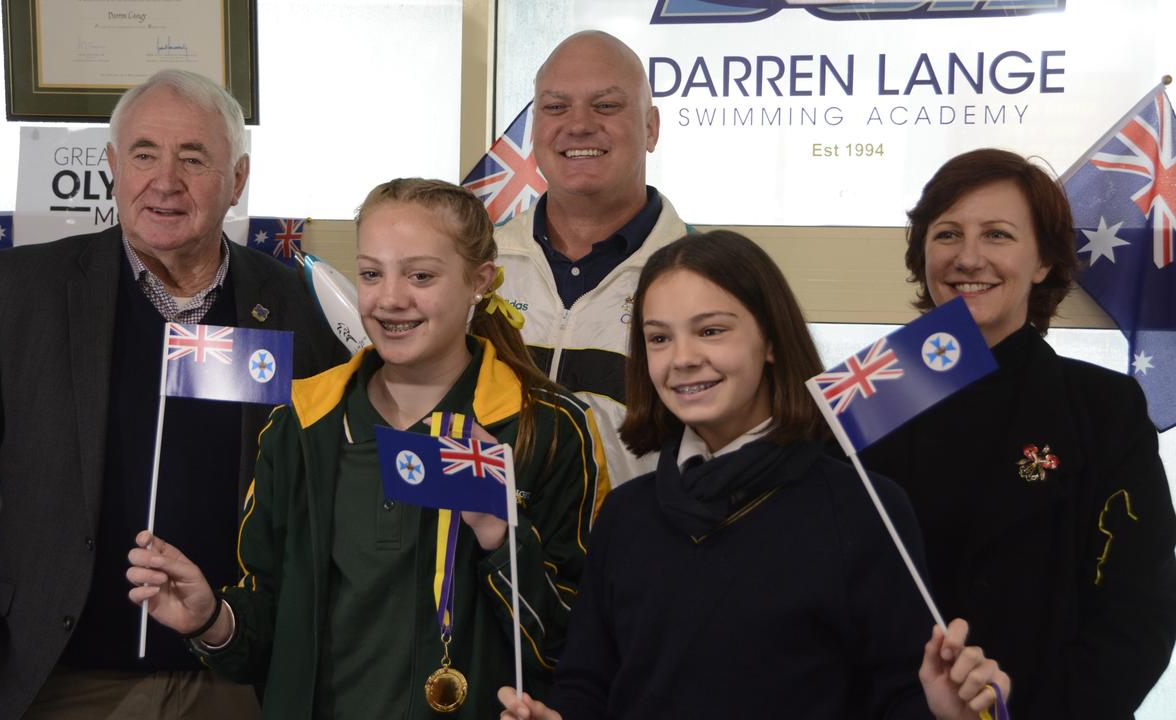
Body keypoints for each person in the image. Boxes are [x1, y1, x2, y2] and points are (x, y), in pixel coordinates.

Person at [0, 69, 347, 719]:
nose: (165, 181)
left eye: (194, 158)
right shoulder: (20, 294)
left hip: (237, 686)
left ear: (239, 180)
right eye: (144, 155)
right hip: (58, 685)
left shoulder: (295, 313)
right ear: (112, 166)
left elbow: (325, 511)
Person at [126, 179, 610, 717]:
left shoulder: (544, 427)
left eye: (421, 275)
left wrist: (501, 541)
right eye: (371, 274)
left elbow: (575, 646)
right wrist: (210, 620)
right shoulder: (301, 424)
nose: (391, 299)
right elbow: (265, 636)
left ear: (480, 281)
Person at [498, 231, 1009, 719]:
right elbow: (588, 684)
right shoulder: (627, 513)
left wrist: (948, 714)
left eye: (711, 331)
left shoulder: (864, 508)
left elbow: (902, 695)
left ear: (769, 340)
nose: (683, 359)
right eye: (658, 338)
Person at [861, 148, 1176, 717]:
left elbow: (1138, 618)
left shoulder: (1104, 410)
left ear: (1043, 262)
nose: (969, 257)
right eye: (948, 234)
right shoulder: (871, 398)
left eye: (999, 235)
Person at [495, 30, 690, 487]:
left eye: (605, 105)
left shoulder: (711, 281)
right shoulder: (475, 269)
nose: (578, 125)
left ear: (651, 128)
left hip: (645, 554)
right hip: (494, 553)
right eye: (556, 107)